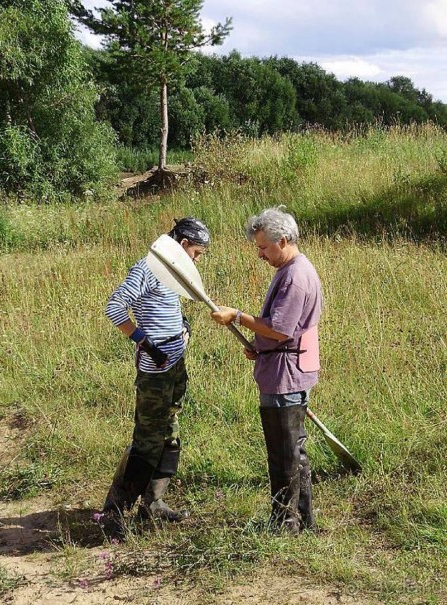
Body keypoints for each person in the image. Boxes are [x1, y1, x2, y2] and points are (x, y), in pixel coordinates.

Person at [211, 207, 322, 534]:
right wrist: (261, 347)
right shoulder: (291, 269)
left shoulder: (296, 277)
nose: (259, 254)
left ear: (283, 241)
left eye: (263, 247)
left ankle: (285, 524)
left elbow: (282, 329)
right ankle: (303, 521)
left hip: (286, 376)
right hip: (283, 366)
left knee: (283, 454)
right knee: (293, 451)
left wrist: (238, 316)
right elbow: (281, 333)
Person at [100, 217, 210, 539]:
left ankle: (154, 504)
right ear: (183, 243)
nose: (197, 260)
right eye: (197, 253)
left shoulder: (174, 269)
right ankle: (114, 512)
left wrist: (183, 327)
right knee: (147, 441)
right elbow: (114, 307)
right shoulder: (147, 268)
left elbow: (167, 306)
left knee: (170, 436)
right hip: (155, 373)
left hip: (176, 367)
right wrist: (147, 344)